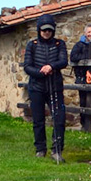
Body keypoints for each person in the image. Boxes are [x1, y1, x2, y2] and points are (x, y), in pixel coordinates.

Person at [22, 14, 68, 163]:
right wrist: (41, 72)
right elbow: (27, 66)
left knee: (59, 118)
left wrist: (51, 66)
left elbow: (63, 61)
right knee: (38, 120)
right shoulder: (32, 45)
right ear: (39, 30)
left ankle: (57, 149)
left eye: (49, 30)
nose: (46, 33)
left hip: (54, 87)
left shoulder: (59, 44)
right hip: (37, 87)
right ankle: (40, 149)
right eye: (44, 30)